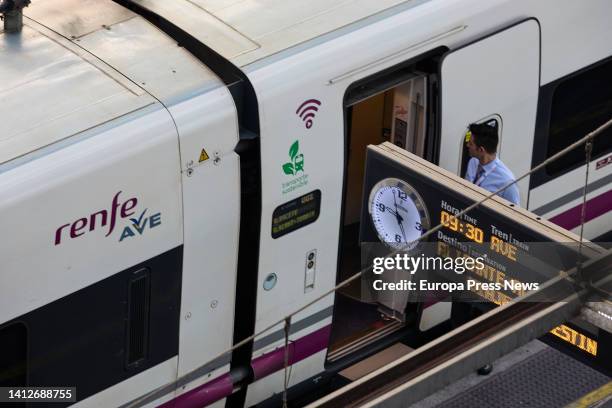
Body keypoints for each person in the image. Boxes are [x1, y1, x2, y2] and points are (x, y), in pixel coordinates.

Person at [464, 123, 520, 205]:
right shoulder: (472, 162)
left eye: (470, 144)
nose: (467, 145)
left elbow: (514, 214)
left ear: (481, 150)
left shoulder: (507, 183)